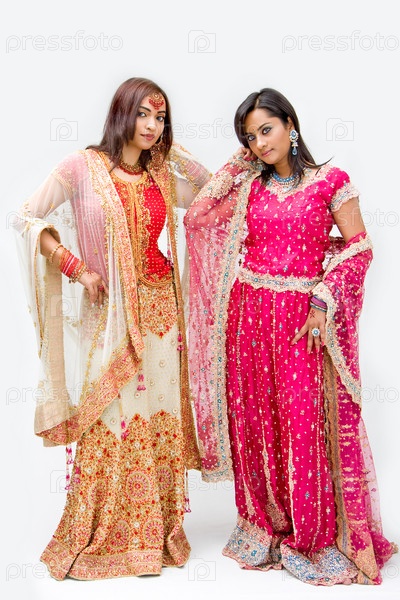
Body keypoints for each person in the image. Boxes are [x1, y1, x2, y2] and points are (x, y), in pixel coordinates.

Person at [184, 88, 396, 585]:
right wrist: (239, 163)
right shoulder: (248, 186)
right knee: (256, 420)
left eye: (266, 130)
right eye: (249, 137)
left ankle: (312, 531)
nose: (260, 143)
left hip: (302, 320)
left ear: (290, 125)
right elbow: (197, 218)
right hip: (249, 318)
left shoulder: (331, 182)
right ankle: (267, 523)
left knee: (303, 422)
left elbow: (360, 248)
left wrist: (324, 298)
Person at [13, 77, 210, 580]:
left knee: (159, 419)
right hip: (112, 317)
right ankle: (108, 534)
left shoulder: (161, 174)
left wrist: (173, 150)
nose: (152, 125)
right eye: (143, 113)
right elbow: (25, 218)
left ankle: (153, 534)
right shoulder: (81, 168)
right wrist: (75, 266)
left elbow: (210, 192)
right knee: (112, 419)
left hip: (163, 314)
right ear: (121, 112)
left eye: (161, 117)